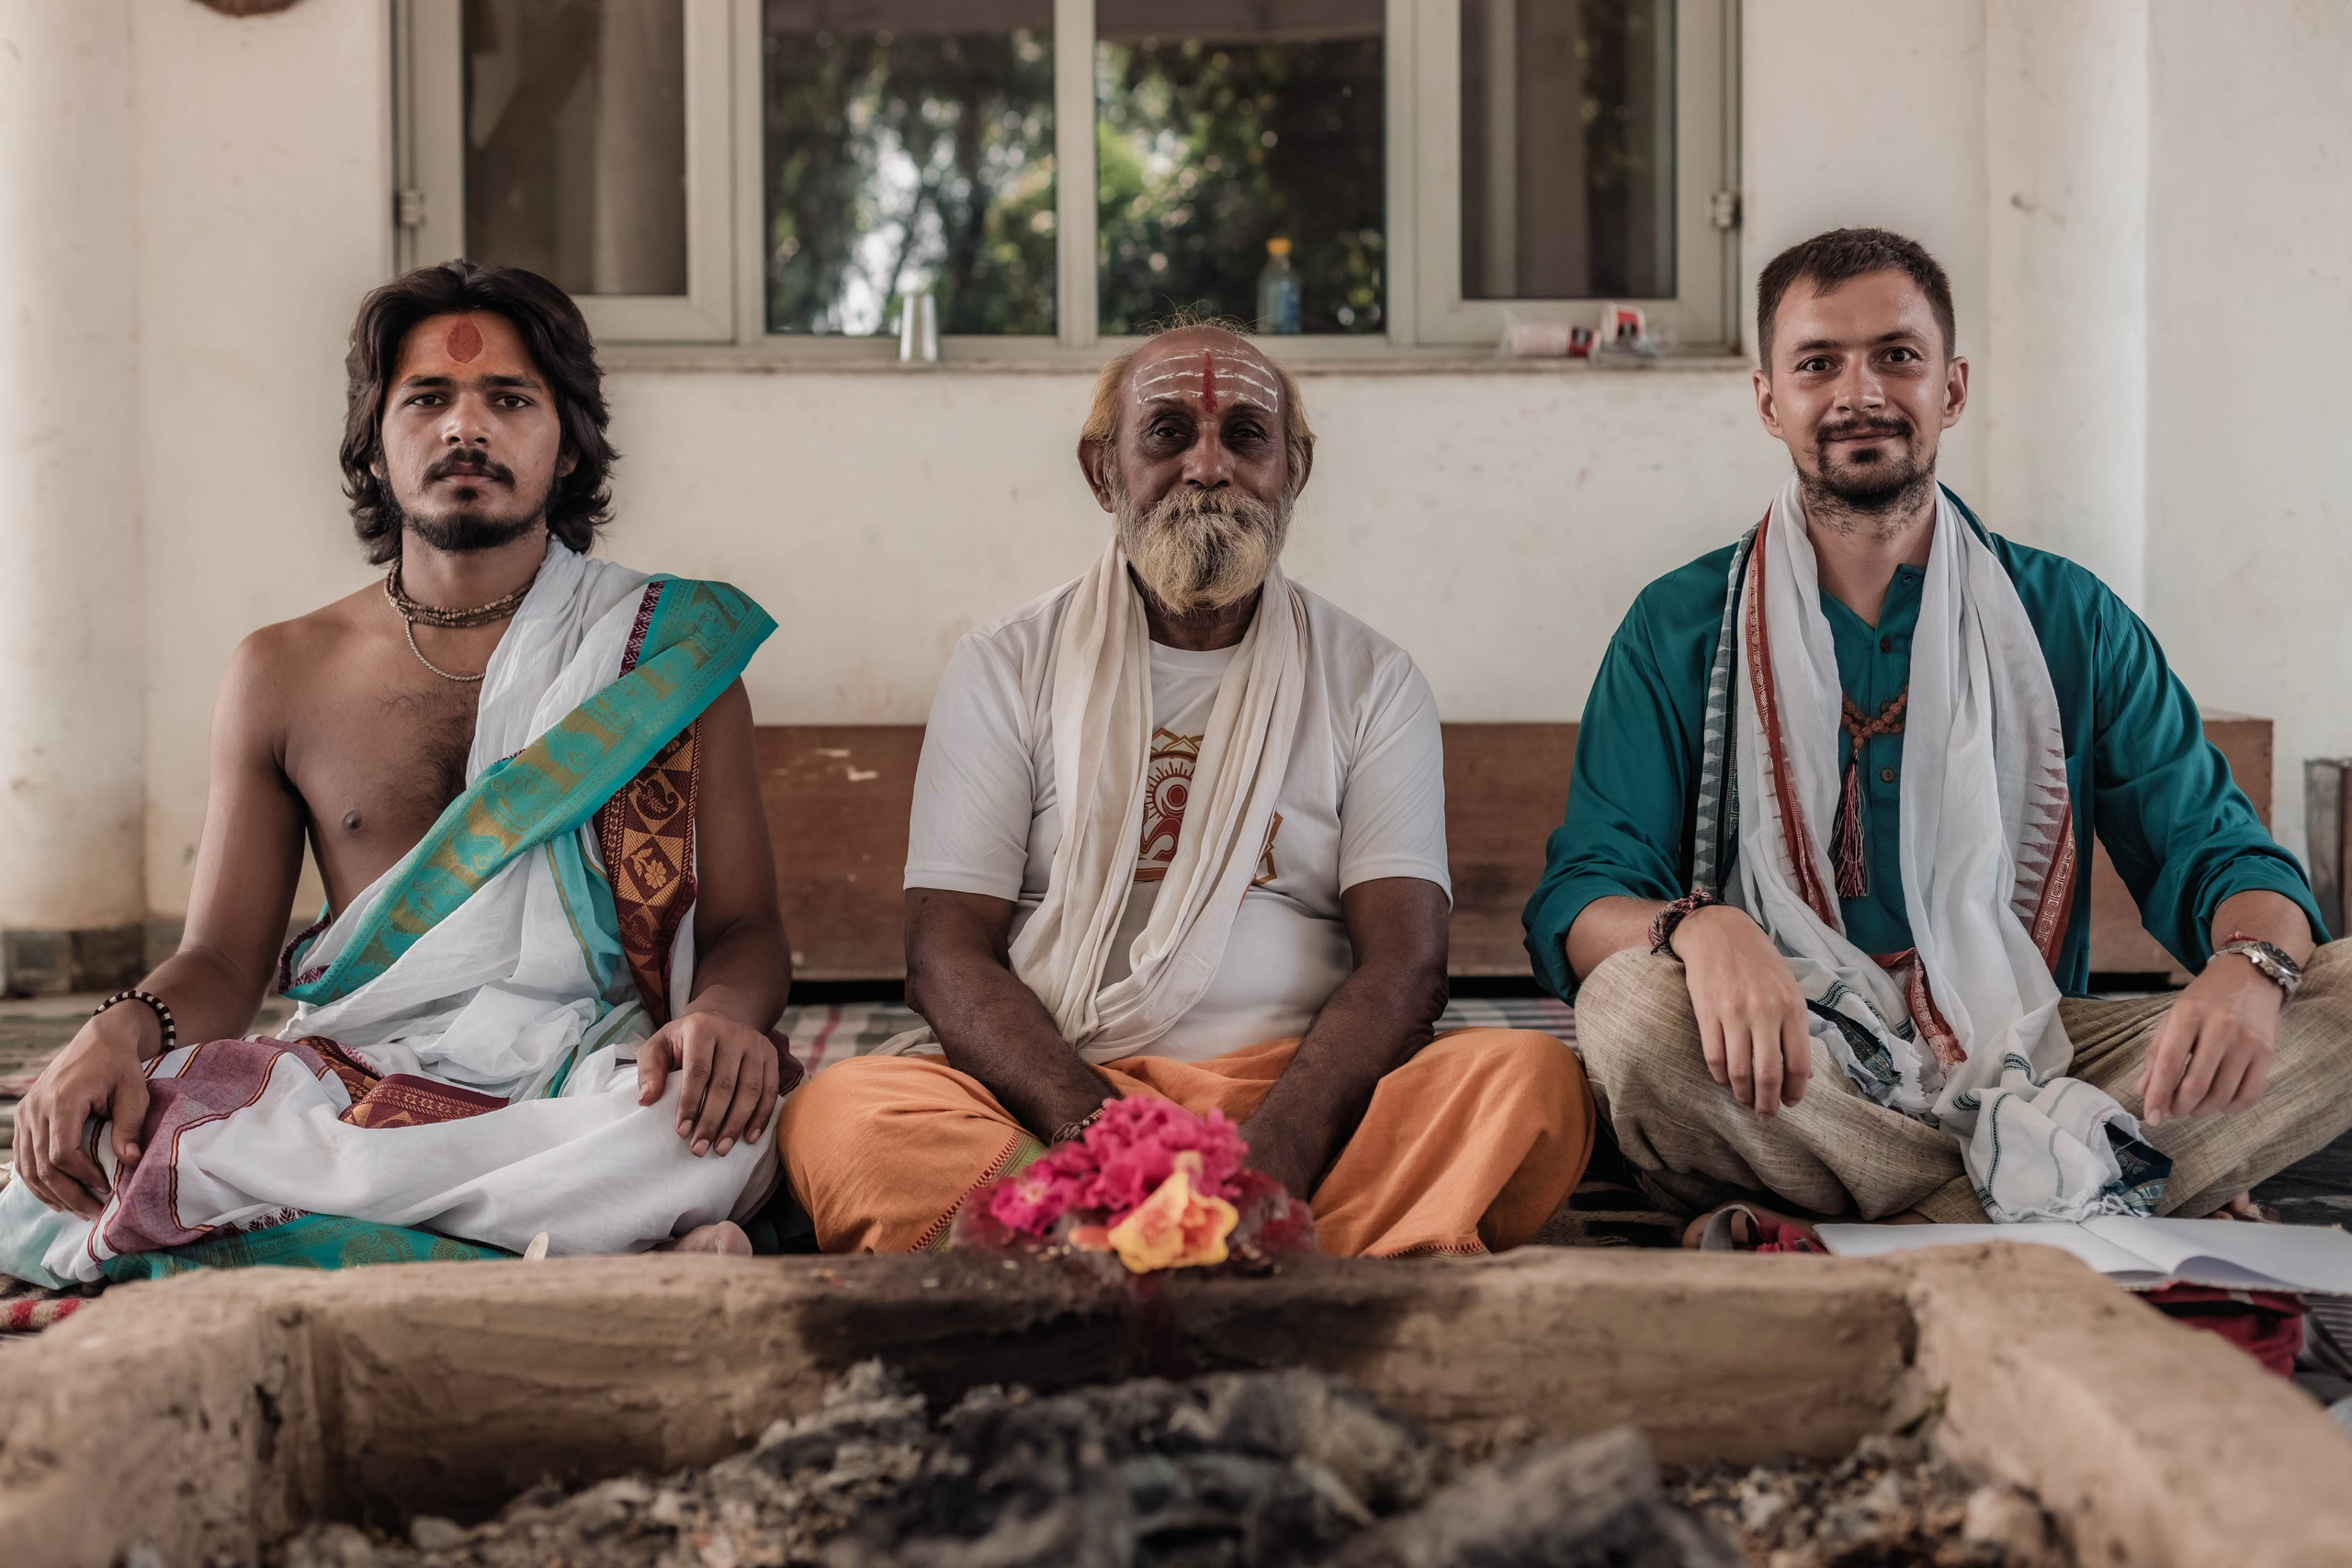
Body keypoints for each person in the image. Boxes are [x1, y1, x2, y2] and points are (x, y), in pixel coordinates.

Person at [1524, 228, 2350, 1244]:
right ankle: (2070, 1184)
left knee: (2337, 993)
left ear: (1950, 390)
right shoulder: (1680, 624)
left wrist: (2250, 971)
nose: (1858, 392)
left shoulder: (2067, 619)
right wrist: (1701, 927)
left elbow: (2222, 857)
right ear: (1767, 399)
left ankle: (1867, 1219)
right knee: (1634, 1019)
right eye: (1818, 362)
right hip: (1790, 1072)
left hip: (2022, 1054)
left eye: (1896, 357)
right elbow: (1582, 899)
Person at [0, 262, 795, 1286]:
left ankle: (395, 1248)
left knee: (701, 1119)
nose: (467, 428)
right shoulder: (282, 670)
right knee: (103, 1151)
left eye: (510, 399)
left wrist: (722, 1018)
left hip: (588, 1078)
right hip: (357, 1079)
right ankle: (622, 1251)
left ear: (567, 445)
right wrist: (112, 1034)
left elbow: (746, 930)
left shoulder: (662, 657)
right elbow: (220, 965)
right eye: (427, 399)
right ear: (375, 446)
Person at [782, 321, 1593, 1257]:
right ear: (1102, 472)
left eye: (1245, 435)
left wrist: (1274, 1152)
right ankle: (1278, 1261)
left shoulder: (1371, 678)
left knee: (1530, 1081)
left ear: (1295, 469)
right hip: (1058, 1098)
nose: (1207, 468)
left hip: (1305, 1110)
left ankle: (1089, 1250)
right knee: (842, 1114)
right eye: (1167, 434)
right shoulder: (1005, 665)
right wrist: (1104, 1136)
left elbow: (1405, 967)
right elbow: (945, 954)